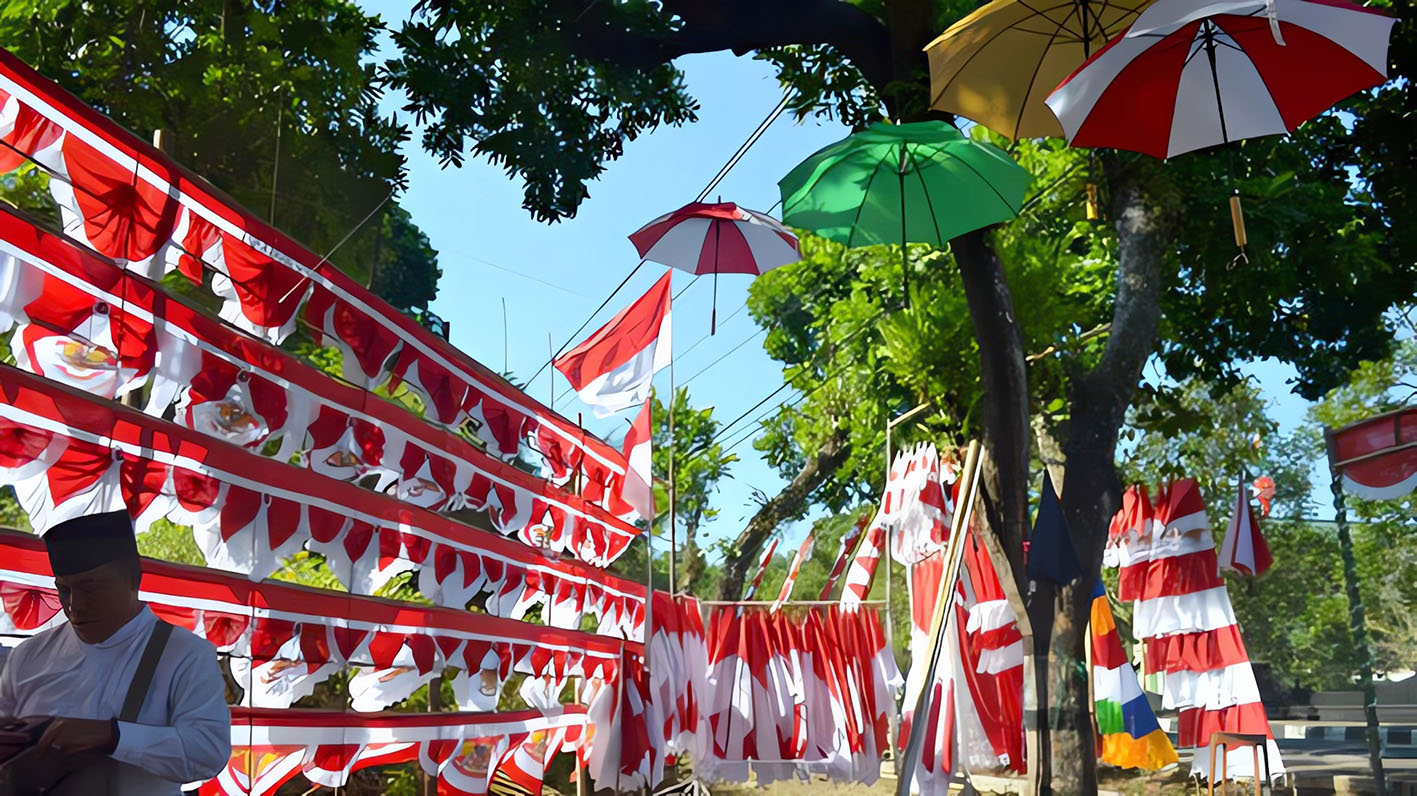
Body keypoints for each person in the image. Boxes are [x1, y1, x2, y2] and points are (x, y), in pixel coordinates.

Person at [0, 510, 230, 794]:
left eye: (90, 588)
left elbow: (208, 753)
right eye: (64, 590)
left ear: (133, 580)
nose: (74, 606)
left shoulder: (185, 655)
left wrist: (113, 736)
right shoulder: (28, 656)